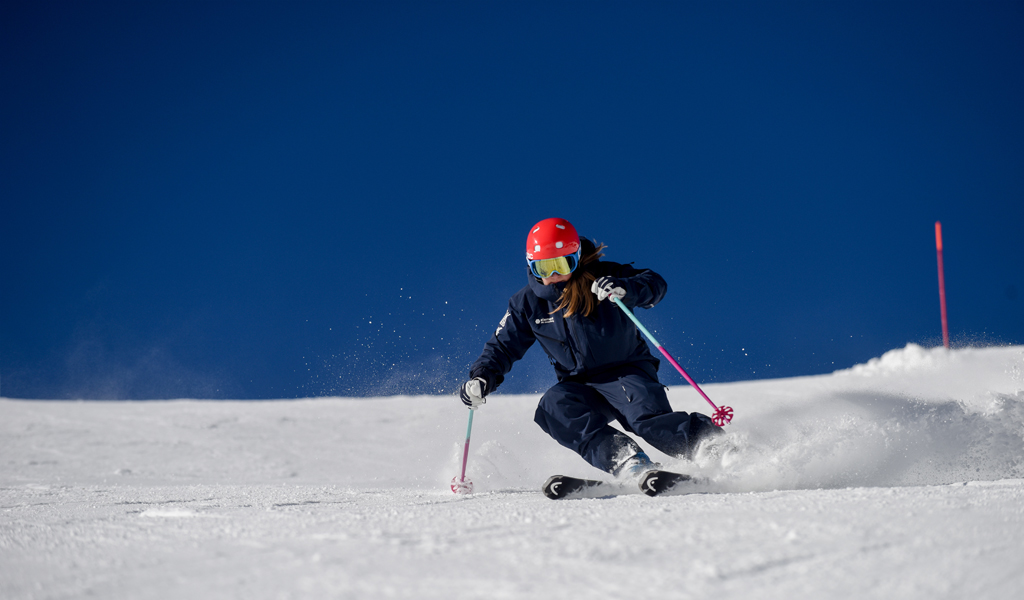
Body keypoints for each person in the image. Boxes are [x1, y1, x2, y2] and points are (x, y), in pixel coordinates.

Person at [459, 217, 722, 479]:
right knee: (554, 408)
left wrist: (624, 288)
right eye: (544, 268)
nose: (554, 275)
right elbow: (502, 346)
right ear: (531, 266)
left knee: (645, 420)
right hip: (580, 385)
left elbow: (654, 284)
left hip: (625, 372)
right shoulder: (526, 304)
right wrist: (482, 376)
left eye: (561, 264)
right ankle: (626, 459)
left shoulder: (605, 277)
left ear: (576, 257)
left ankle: (713, 447)